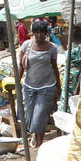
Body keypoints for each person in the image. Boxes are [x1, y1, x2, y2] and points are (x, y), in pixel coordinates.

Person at [19, 18, 60, 152]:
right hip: (29, 86)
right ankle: (35, 135)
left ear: (45, 33)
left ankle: (39, 145)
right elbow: (20, 65)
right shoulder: (26, 45)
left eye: (42, 33)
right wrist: (17, 82)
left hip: (47, 86)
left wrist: (58, 88)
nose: (39, 35)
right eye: (36, 32)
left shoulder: (52, 48)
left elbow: (55, 68)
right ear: (33, 33)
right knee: (29, 116)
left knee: (40, 115)